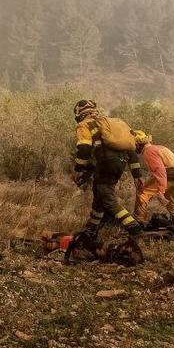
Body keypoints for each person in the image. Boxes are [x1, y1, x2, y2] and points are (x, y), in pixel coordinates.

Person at [70, 99, 146, 253]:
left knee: (108, 198)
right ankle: (91, 231)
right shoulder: (111, 124)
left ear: (79, 113)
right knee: (99, 196)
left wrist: (78, 168)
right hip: (119, 163)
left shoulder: (85, 125)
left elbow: (84, 148)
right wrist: (137, 174)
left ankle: (135, 228)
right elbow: (131, 151)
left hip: (105, 163)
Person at [131, 129, 174, 225]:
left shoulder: (149, 151)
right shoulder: (159, 147)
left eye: (134, 145)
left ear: (139, 144)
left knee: (142, 193)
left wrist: (161, 191)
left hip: (168, 177)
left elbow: (160, 171)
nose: (133, 148)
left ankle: (137, 221)